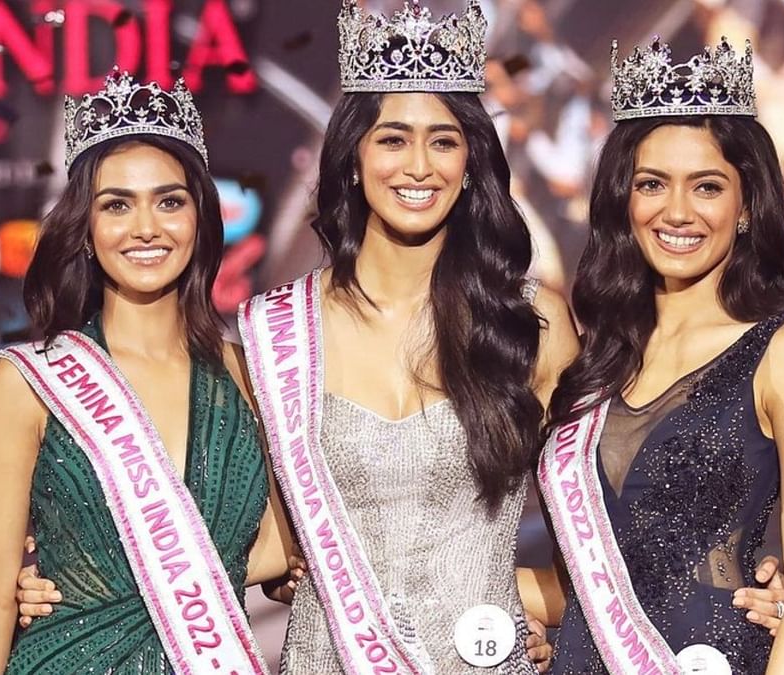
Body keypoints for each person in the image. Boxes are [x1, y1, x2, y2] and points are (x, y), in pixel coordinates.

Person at [236, 1, 573, 672]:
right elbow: (239, 540)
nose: (418, 165)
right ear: (353, 159)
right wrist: (68, 578)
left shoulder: (534, 324)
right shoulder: (273, 335)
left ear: (471, 162)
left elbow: (616, 534)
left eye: (443, 140)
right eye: (392, 139)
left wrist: (535, 600)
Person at [0, 71, 290, 673]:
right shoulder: (30, 381)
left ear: (200, 219)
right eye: (117, 205)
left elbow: (284, 543)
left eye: (169, 201)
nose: (146, 228)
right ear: (85, 229)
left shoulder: (249, 374)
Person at [539, 37, 784, 674]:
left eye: (706, 187)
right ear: (625, 199)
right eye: (653, 183)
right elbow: (596, 573)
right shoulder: (597, 358)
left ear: (746, 206)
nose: (677, 212)